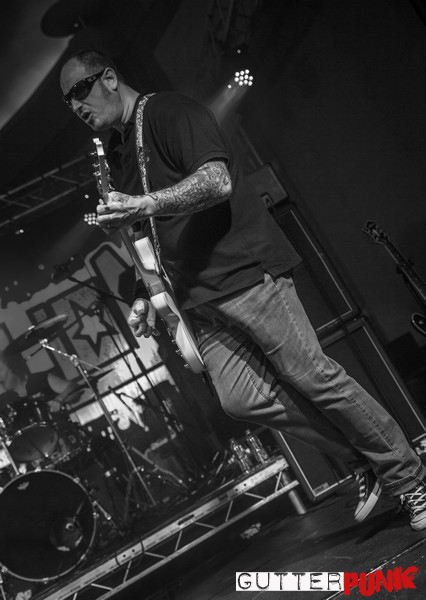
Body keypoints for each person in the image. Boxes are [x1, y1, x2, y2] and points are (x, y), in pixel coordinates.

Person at [60, 48, 426, 530]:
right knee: (241, 399)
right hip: (197, 299)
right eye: (67, 101)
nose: (76, 105)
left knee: (313, 375)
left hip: (244, 274)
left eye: (80, 90)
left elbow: (216, 182)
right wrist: (143, 297)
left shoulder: (169, 111)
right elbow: (147, 236)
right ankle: (363, 459)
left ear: (109, 78)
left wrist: (147, 202)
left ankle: (408, 477)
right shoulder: (119, 151)